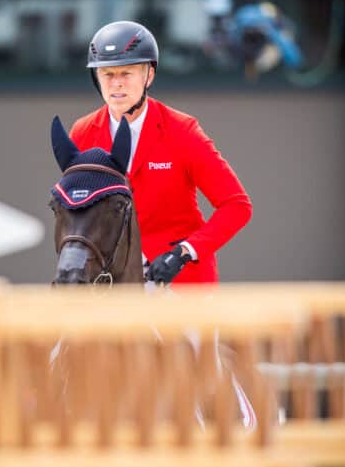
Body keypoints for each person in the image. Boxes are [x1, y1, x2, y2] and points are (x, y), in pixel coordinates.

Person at [69, 20, 252, 284]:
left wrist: (186, 252)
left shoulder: (183, 131)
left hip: (179, 281)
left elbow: (236, 205)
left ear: (149, 76)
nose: (116, 83)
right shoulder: (82, 133)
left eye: (126, 73)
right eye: (107, 74)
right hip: (113, 284)